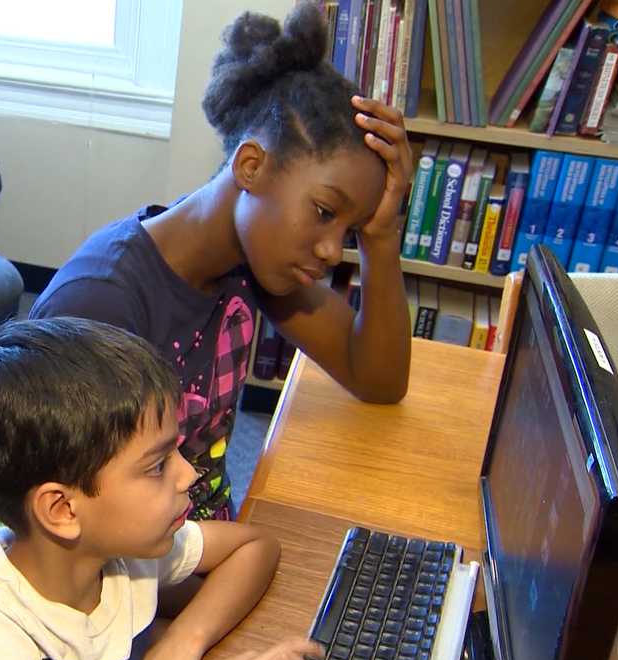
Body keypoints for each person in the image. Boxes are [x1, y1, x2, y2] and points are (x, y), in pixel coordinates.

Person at [30, 3, 414, 521]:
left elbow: (378, 381)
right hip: (145, 577)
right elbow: (74, 526)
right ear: (251, 165)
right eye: (324, 212)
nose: (330, 251)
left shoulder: (254, 264)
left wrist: (382, 236)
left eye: (349, 230)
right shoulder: (103, 303)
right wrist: (235, 564)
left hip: (201, 548)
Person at [0, 317, 323, 660]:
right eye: (157, 465)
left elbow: (256, 546)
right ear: (63, 509)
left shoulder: (122, 550)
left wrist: (181, 643)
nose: (188, 473)